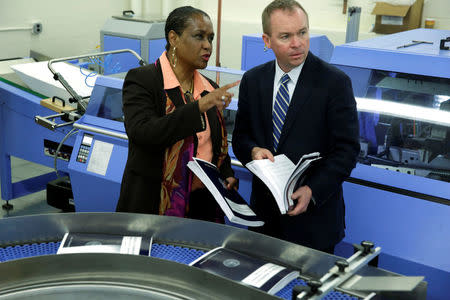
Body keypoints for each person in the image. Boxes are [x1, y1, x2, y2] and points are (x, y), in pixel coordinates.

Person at [232, 0, 360, 253]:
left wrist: (312, 190)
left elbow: (347, 150)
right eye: (285, 36)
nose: (297, 43)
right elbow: (241, 138)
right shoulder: (253, 80)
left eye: (302, 32)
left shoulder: (334, 84)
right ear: (266, 41)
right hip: (264, 219)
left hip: (313, 222)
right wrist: (253, 152)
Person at [116, 6, 240, 223]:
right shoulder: (143, 80)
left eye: (210, 38)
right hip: (154, 206)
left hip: (204, 205)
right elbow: (143, 132)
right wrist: (198, 107)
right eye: (199, 36)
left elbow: (213, 144)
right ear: (173, 38)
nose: (207, 45)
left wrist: (226, 172)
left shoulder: (208, 87)